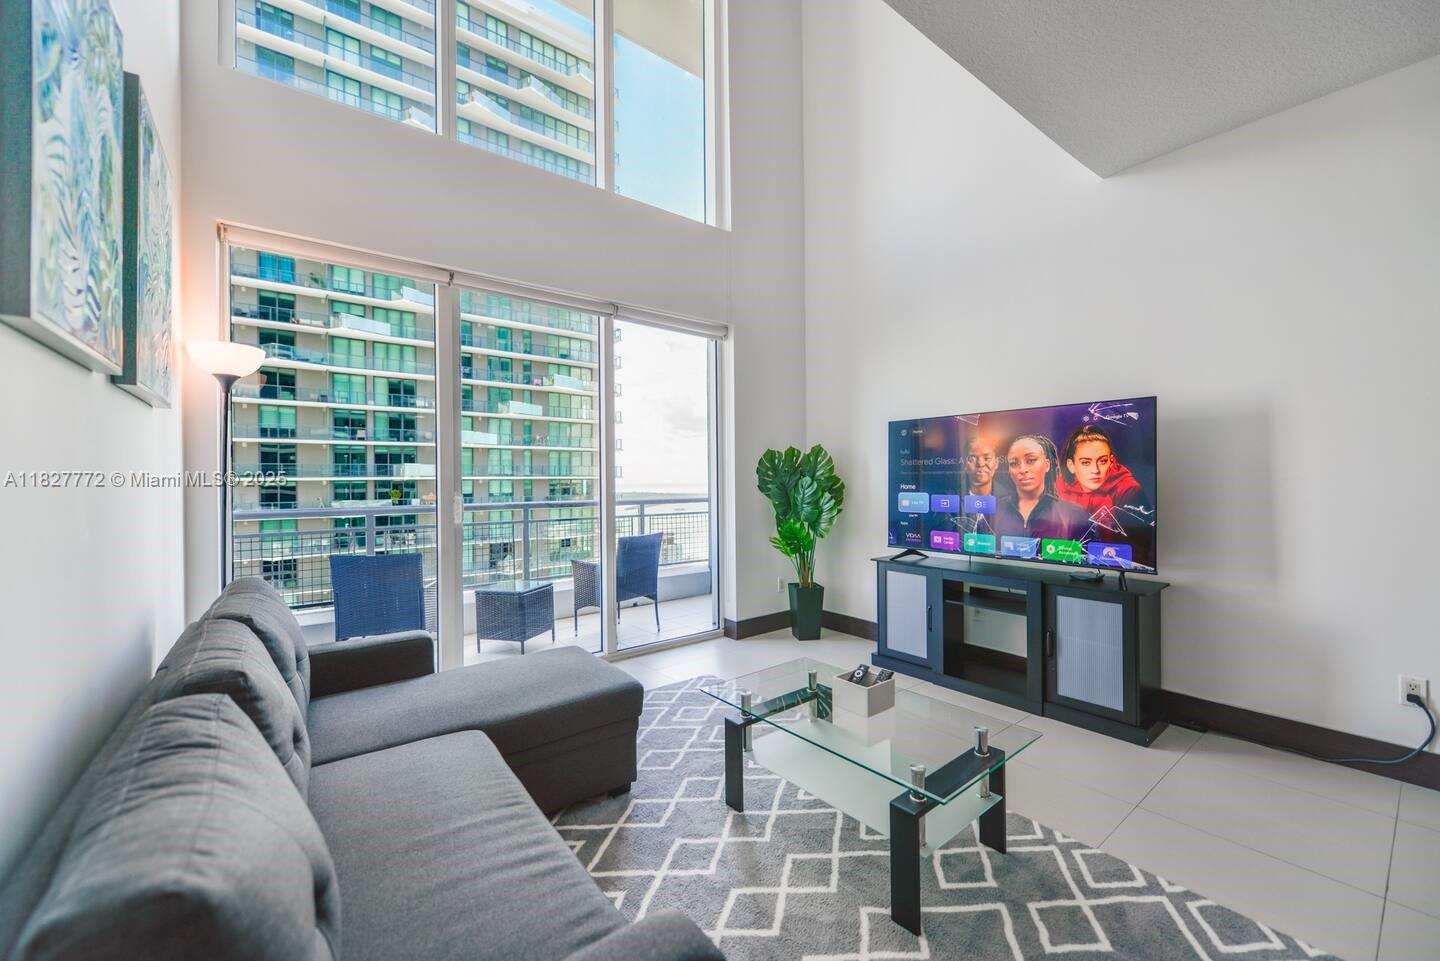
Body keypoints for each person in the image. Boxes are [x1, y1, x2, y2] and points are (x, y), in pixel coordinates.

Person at [992, 434, 1088, 540]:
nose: (1022, 469)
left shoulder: (1075, 515)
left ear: (1047, 465)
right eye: (1014, 463)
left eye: (1031, 460)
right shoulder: (991, 512)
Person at [1056, 425, 1151, 516]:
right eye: (1086, 462)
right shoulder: (1057, 486)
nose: (1095, 470)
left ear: (1111, 462)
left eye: (1102, 461)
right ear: (1071, 466)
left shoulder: (1129, 491)